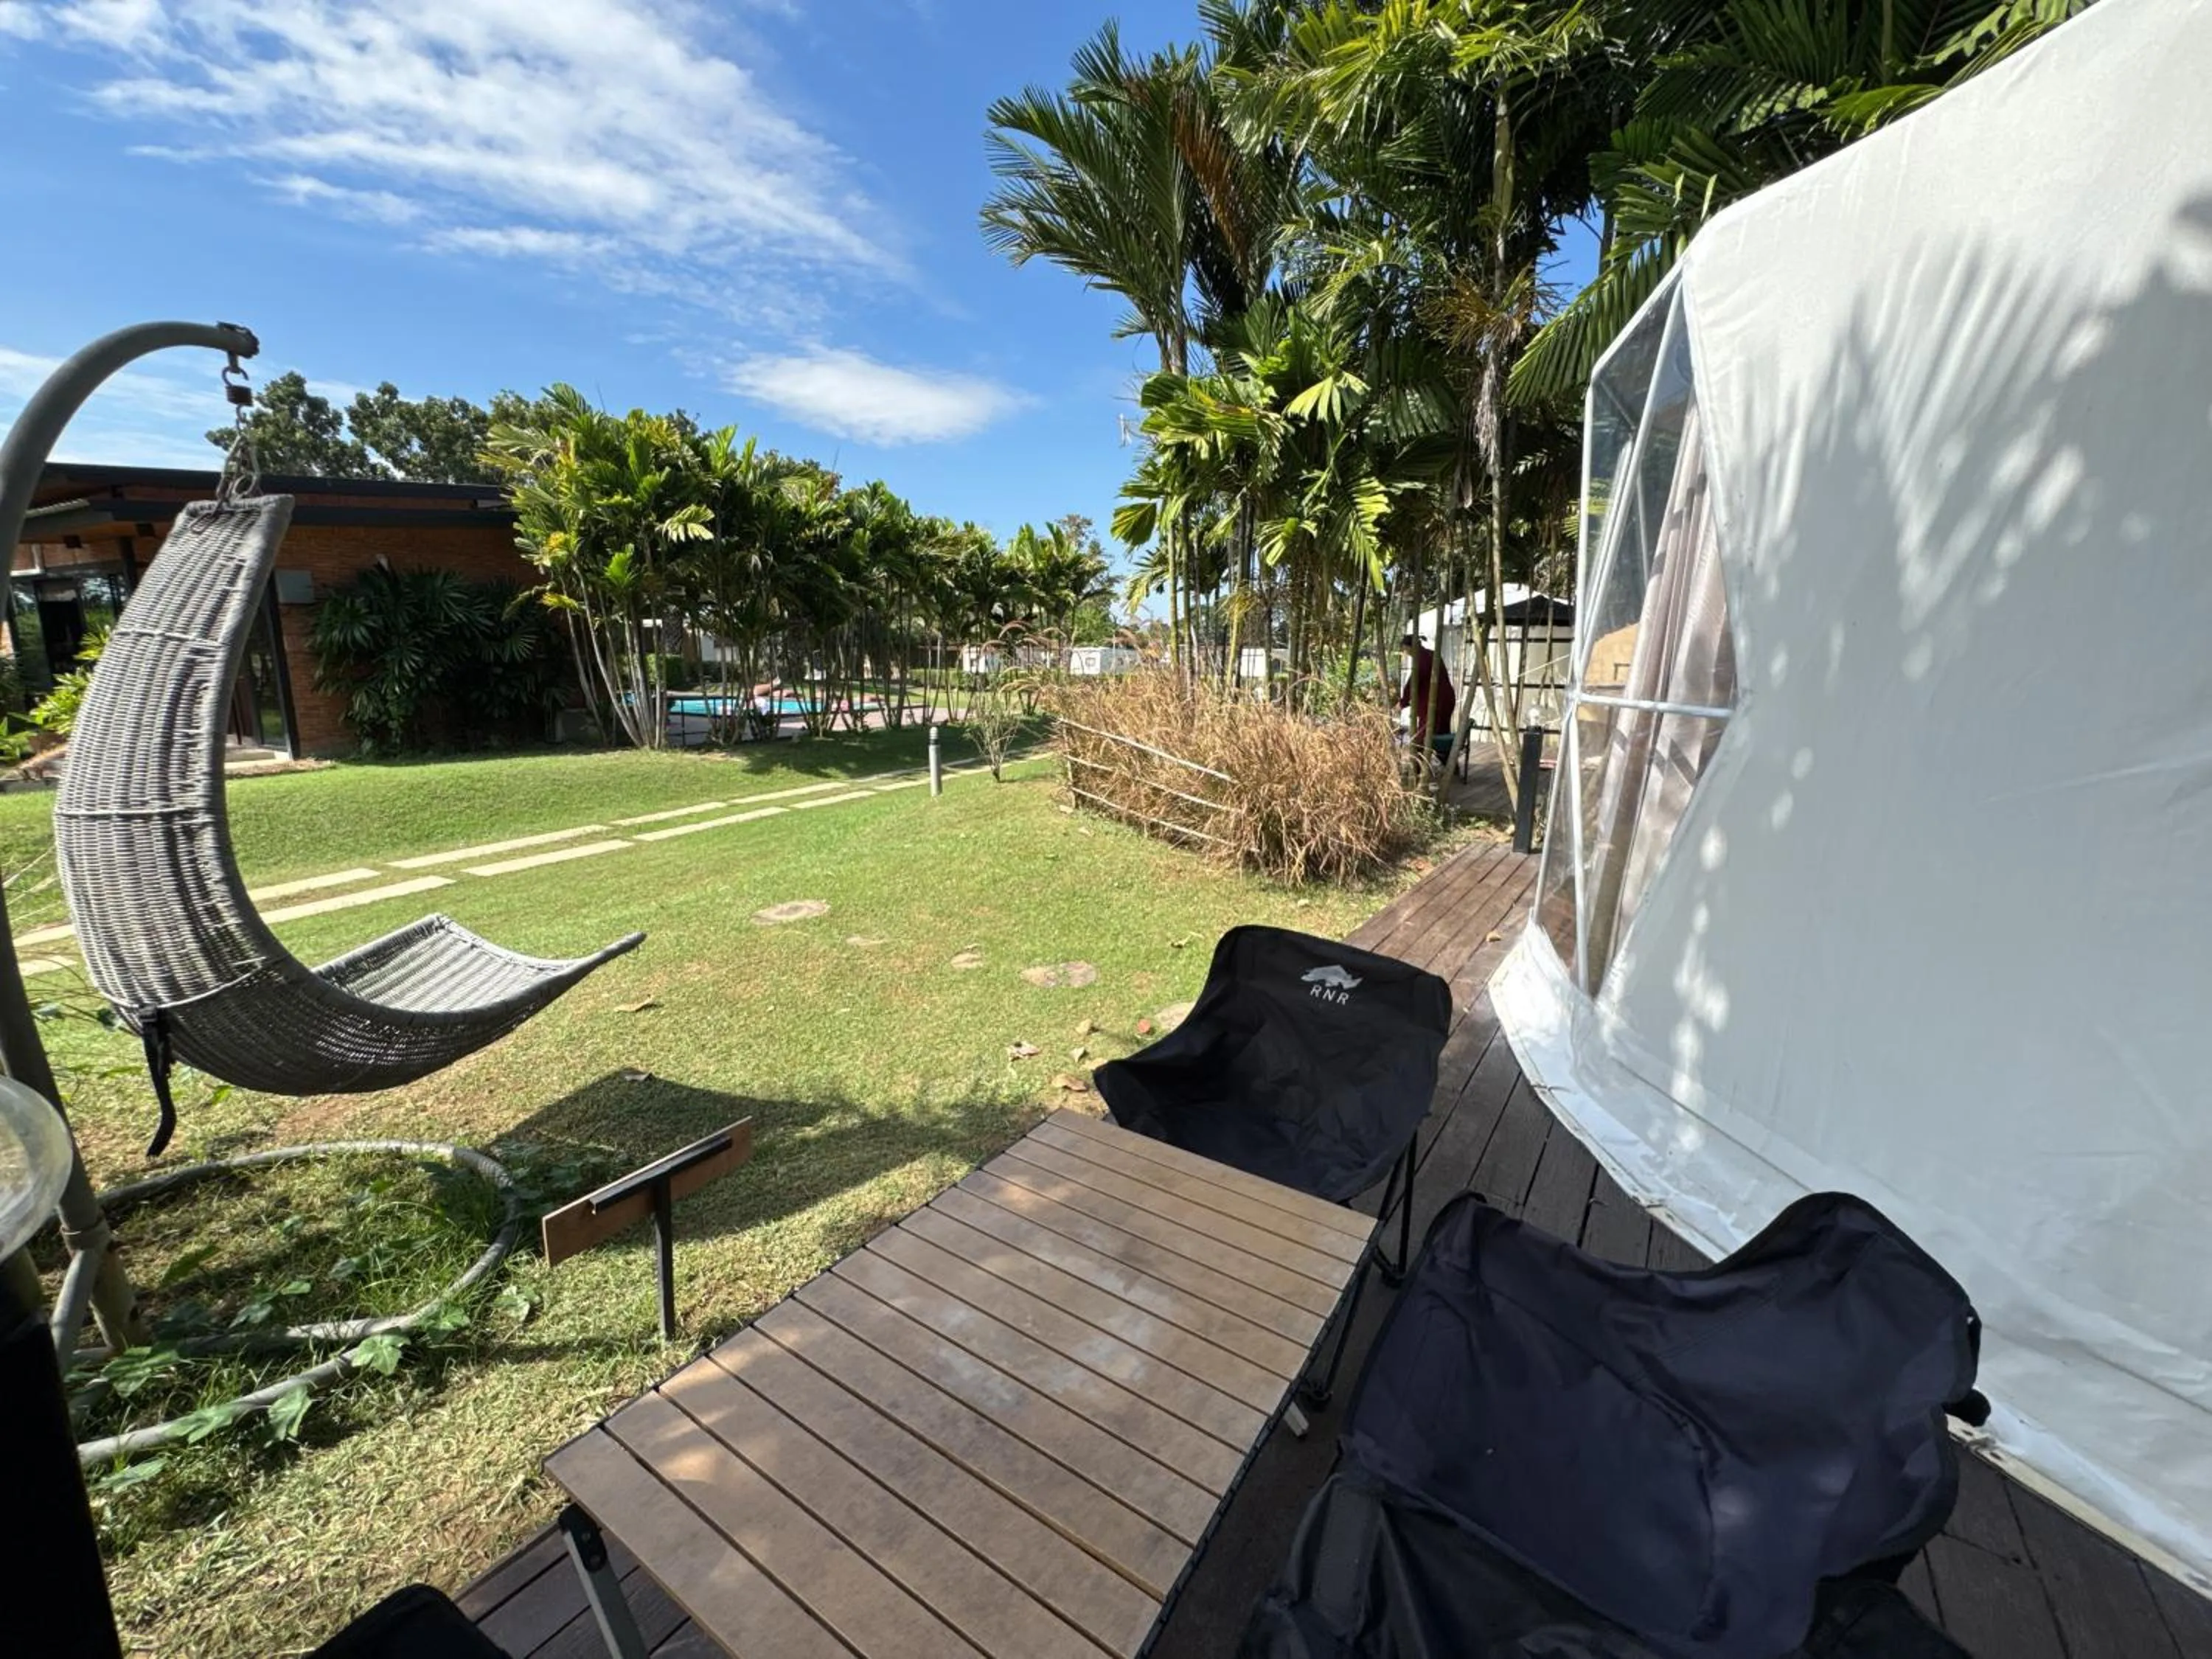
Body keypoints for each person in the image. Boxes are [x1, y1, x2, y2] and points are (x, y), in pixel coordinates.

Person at [1398, 632, 1456, 756]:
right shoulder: (1431, 655)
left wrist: (1403, 702)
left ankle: (1418, 768)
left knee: (1424, 738)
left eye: (1405, 650)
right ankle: (1450, 768)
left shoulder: (1423, 659)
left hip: (1436, 703)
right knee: (1439, 735)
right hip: (1445, 701)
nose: (1406, 653)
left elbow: (1414, 681)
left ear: (1409, 647)